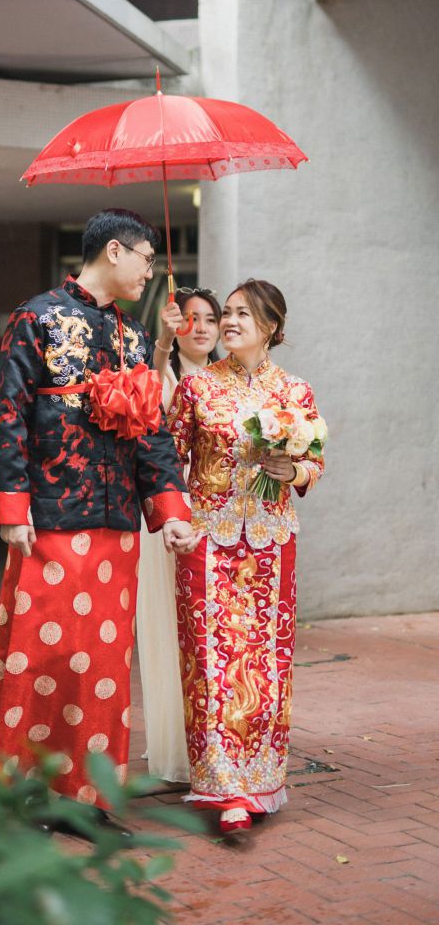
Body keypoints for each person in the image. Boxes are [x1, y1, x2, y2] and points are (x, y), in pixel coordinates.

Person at [0, 209, 197, 816]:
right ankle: (25, 799)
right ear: (114, 251)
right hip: (48, 522)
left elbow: (150, 432)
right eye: (147, 259)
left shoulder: (133, 337)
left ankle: (92, 799)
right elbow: (7, 416)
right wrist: (11, 507)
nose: (150, 272)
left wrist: (171, 510)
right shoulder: (37, 318)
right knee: (40, 658)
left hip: (116, 524)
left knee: (103, 667)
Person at [167, 279, 325, 834]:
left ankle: (262, 781)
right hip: (207, 541)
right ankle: (222, 789)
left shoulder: (296, 392)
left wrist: (294, 469)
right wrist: (174, 518)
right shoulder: (198, 387)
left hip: (271, 542)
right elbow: (168, 460)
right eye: (226, 313)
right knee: (210, 662)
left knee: (267, 664)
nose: (229, 322)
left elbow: (315, 463)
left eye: (242, 314)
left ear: (271, 327)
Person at [137, 287, 222, 783]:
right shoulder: (164, 375)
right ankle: (178, 745)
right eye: (192, 319)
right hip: (172, 511)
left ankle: (218, 740)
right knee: (172, 628)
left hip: (218, 515)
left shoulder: (228, 380)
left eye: (210, 318)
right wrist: (164, 343)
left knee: (214, 628)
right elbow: (151, 391)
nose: (203, 328)